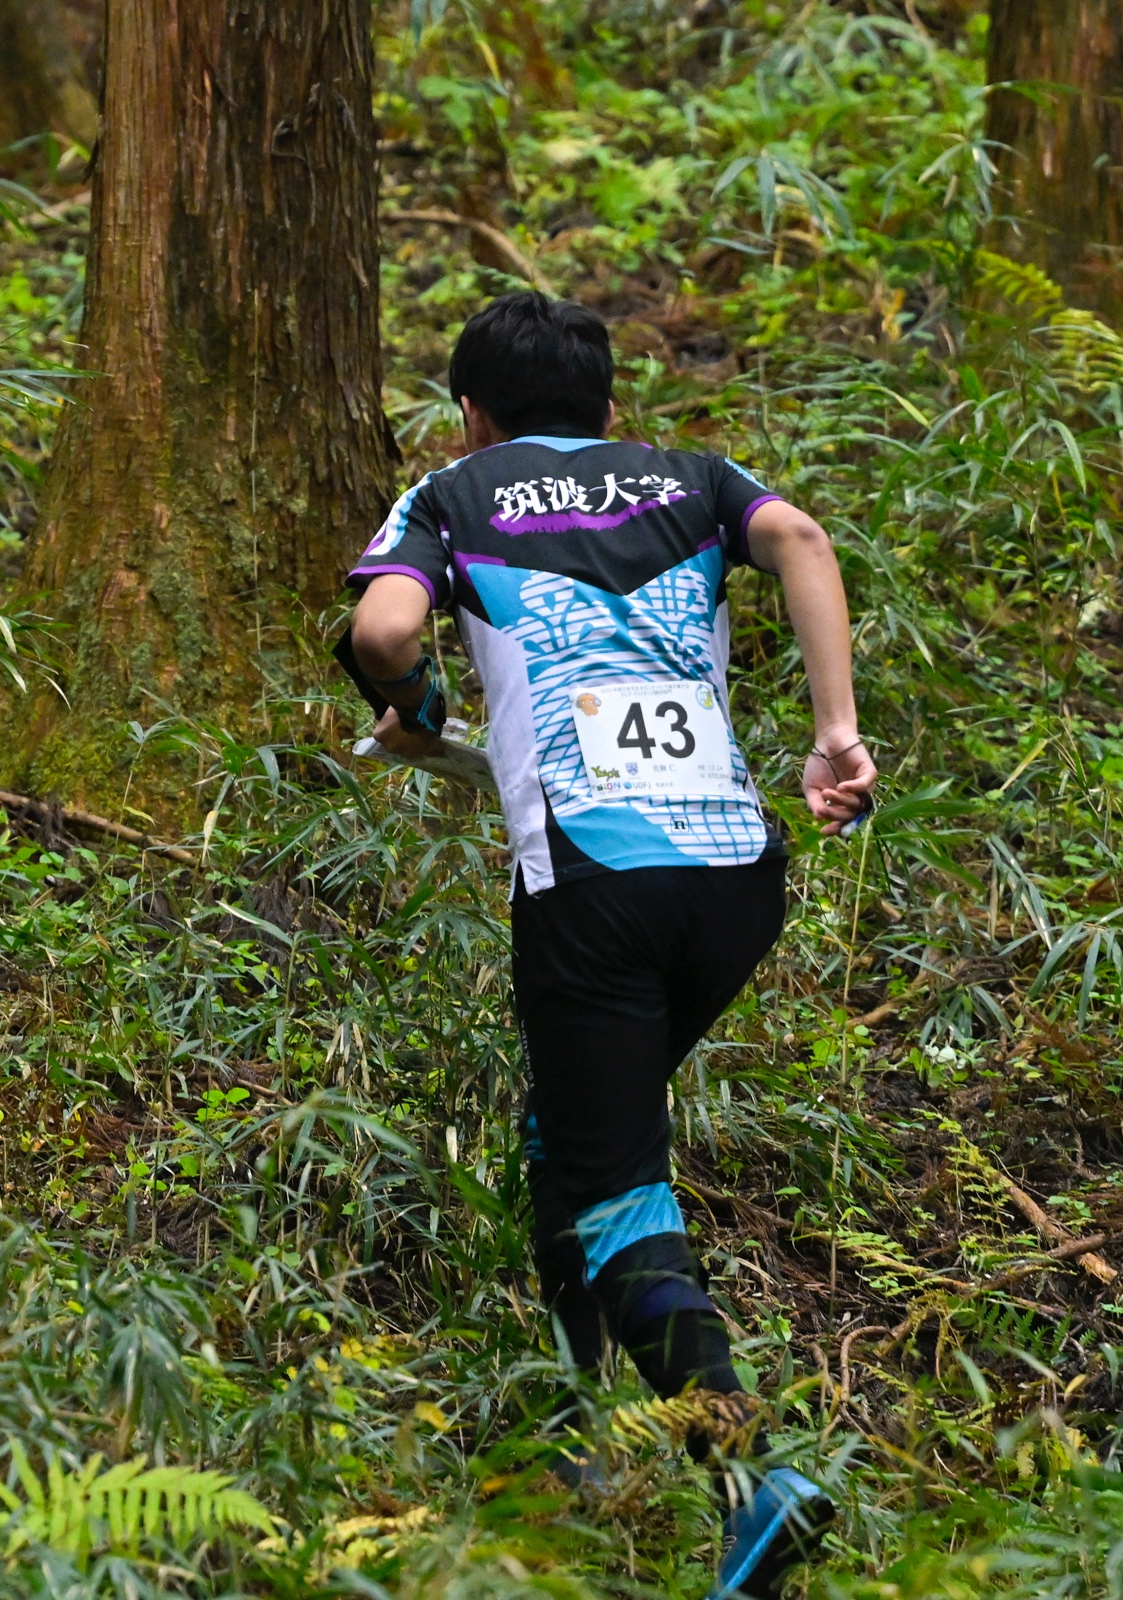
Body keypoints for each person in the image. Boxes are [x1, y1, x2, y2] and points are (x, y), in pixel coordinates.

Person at [336, 291, 876, 1600]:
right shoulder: (695, 478)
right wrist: (835, 731)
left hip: (593, 886)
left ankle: (750, 1479)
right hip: (735, 879)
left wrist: (411, 701)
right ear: (608, 403)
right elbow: (802, 539)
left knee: (611, 1179)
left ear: (473, 412)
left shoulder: (453, 493)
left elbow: (384, 631)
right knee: (568, 1137)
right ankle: (576, 1429)